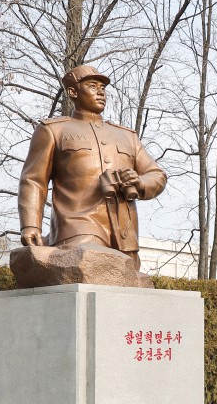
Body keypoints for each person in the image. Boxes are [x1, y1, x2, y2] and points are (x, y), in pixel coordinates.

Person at [18, 65, 166, 270]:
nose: (101, 92)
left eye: (103, 88)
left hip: (124, 233)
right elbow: (34, 180)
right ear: (73, 92)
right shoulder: (54, 130)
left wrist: (139, 182)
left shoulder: (127, 136)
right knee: (90, 262)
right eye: (92, 86)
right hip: (77, 225)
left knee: (125, 279)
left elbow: (156, 174)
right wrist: (31, 224)